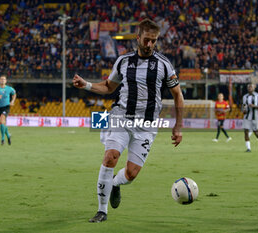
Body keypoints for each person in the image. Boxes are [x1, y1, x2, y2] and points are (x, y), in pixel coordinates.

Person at [72, 19, 183, 223]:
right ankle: (102, 210)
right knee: (110, 157)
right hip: (121, 117)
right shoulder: (123, 62)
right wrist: (86, 84)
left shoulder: (164, 65)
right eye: (146, 40)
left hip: (147, 126)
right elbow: (108, 87)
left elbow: (178, 95)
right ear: (138, 38)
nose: (149, 45)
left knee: (131, 174)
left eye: (154, 41)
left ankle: (115, 184)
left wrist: (178, 126)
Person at [242, 83, 258, 152]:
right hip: (247, 117)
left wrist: (254, 106)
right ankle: (248, 148)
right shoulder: (245, 96)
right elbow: (244, 105)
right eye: (248, 87)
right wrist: (244, 110)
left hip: (255, 117)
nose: (249, 88)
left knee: (256, 133)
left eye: (251, 87)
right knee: (246, 132)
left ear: (254, 88)